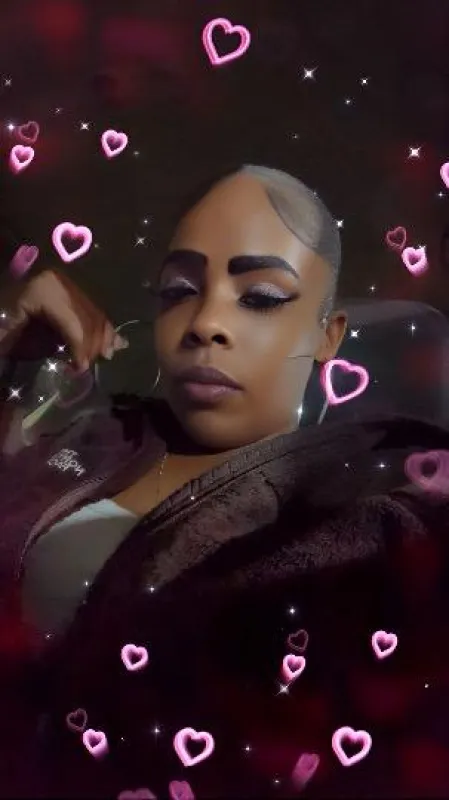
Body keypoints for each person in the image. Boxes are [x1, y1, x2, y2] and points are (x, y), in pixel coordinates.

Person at [0, 165, 449, 798]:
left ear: (328, 335)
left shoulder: (374, 514)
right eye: (180, 290)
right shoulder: (98, 435)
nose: (205, 321)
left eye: (260, 296)